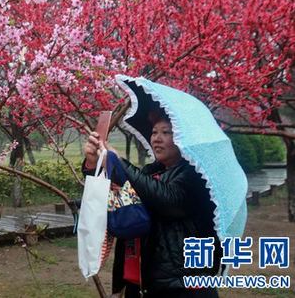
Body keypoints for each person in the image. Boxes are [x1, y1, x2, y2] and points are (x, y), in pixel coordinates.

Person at [83, 111, 221, 297]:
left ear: (183, 138)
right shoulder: (150, 172)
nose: (157, 138)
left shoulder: (197, 175)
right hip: (141, 283)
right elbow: (117, 191)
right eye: (154, 132)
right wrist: (94, 164)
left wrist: (118, 162)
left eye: (166, 132)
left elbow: (167, 200)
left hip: (182, 287)